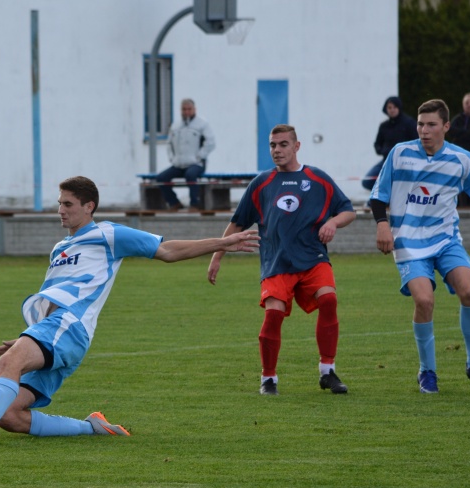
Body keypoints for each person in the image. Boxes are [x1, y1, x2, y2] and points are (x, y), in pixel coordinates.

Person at [0, 175, 259, 445]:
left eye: (68, 204)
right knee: (10, 415)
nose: (60, 210)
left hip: (71, 326)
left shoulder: (108, 234)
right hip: (57, 331)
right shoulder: (60, 248)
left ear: (89, 206)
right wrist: (28, 338)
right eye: (59, 203)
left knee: (9, 362)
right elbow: (54, 298)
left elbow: (166, 250)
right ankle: (92, 427)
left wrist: (221, 243)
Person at [369, 99, 470, 394]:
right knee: (424, 301)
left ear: (446, 126)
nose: (424, 130)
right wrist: (382, 224)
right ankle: (427, 371)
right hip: (408, 242)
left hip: (446, 240)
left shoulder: (461, 160)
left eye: (431, 125)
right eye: (420, 124)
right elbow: (377, 196)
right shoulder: (400, 153)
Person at [207, 124, 356, 396]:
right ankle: (269, 378)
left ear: (297, 146)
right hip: (276, 262)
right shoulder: (261, 183)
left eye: (283, 144)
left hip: (313, 258)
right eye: (273, 145)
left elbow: (348, 211)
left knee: (329, 300)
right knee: (273, 314)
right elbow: (237, 223)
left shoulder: (317, 178)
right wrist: (217, 256)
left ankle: (327, 371)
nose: (277, 150)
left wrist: (333, 222)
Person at [156, 98, 216, 211]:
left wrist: (199, 156)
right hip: (178, 164)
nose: (187, 111)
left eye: (189, 109)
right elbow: (169, 144)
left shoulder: (202, 124)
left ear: (194, 109)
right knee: (161, 178)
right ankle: (174, 203)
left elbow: (211, 143)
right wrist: (172, 158)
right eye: (184, 109)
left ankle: (194, 204)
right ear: (181, 110)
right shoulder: (176, 125)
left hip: (196, 163)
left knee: (190, 175)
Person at [362, 96, 417, 191]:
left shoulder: (409, 123)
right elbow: (377, 144)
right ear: (386, 109)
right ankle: (385, 195)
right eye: (389, 107)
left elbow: (416, 142)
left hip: (405, 162)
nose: (392, 110)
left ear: (399, 107)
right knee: (367, 181)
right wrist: (383, 150)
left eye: (394, 107)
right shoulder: (384, 126)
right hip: (386, 161)